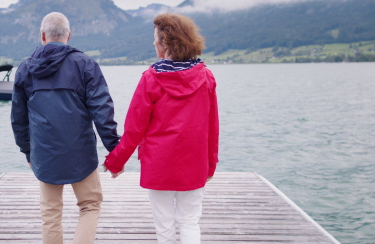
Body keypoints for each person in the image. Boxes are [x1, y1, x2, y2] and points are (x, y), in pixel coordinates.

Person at [103, 13, 219, 244]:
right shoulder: (206, 76)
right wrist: (210, 164)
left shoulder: (151, 78)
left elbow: (135, 128)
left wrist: (116, 161)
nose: (153, 42)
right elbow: (212, 127)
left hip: (160, 162)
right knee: (189, 221)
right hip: (194, 161)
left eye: (155, 38)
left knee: (164, 225)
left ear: (166, 43)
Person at [11, 12, 121, 244]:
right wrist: (114, 148)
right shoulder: (85, 65)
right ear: (69, 35)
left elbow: (18, 119)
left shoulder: (25, 69)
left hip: (44, 153)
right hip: (81, 152)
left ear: (42, 36)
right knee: (89, 206)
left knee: (50, 213)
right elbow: (102, 110)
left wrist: (28, 152)